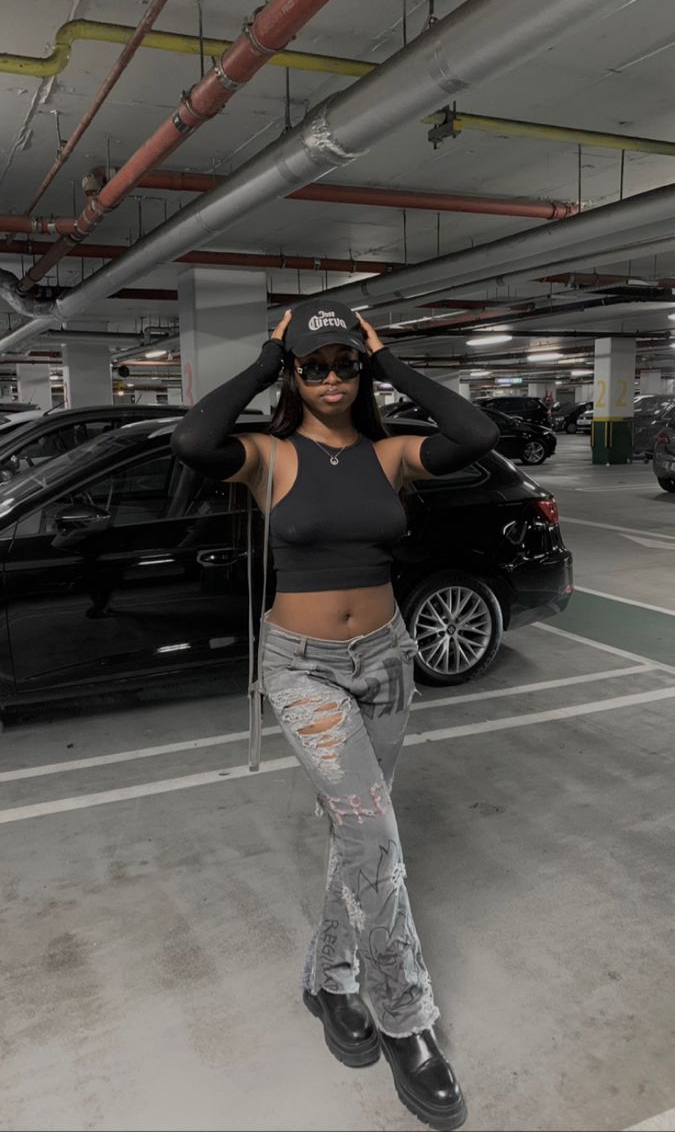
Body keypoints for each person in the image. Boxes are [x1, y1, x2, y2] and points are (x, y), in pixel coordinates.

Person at [170, 298, 498, 1131]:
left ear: (360, 371)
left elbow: (474, 435)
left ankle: (327, 978)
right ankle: (406, 1020)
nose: (328, 378)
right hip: (303, 670)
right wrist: (262, 360)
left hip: (387, 661)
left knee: (359, 837)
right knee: (376, 841)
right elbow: (192, 442)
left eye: (342, 363)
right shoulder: (268, 456)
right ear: (293, 374)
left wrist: (388, 361)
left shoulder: (389, 454)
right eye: (312, 365)